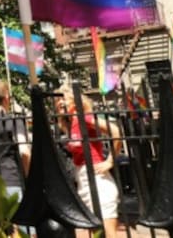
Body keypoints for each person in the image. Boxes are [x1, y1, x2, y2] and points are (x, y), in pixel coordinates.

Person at [57, 86, 122, 238]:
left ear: (74, 102)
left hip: (97, 181)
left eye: (63, 98)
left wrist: (110, 161)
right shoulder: (70, 124)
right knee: (96, 233)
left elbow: (115, 131)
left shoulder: (83, 118)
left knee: (107, 233)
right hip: (83, 181)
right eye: (57, 100)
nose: (59, 102)